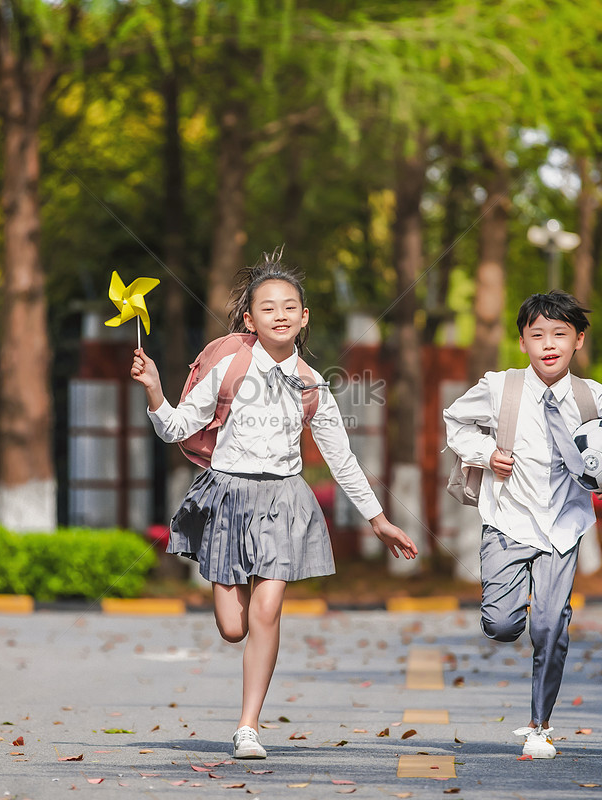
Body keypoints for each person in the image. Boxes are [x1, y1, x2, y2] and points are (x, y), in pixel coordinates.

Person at [131, 253, 418, 761]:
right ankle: (241, 668)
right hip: (226, 498)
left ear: (304, 317)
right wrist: (154, 389)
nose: (280, 314)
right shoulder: (228, 366)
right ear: (250, 319)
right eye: (268, 308)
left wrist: (380, 520)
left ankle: (248, 727)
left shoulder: (313, 385)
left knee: (267, 609)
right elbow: (176, 428)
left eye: (290, 306)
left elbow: (342, 459)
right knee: (232, 628)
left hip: (283, 500)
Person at [443, 290, 602, 759]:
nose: (548, 344)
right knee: (502, 624)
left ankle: (539, 724)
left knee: (550, 628)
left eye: (559, 334)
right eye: (537, 335)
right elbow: (454, 422)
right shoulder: (500, 387)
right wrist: (486, 455)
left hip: (562, 527)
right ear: (523, 342)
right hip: (507, 521)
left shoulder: (593, 398)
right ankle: (510, 611)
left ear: (578, 341)